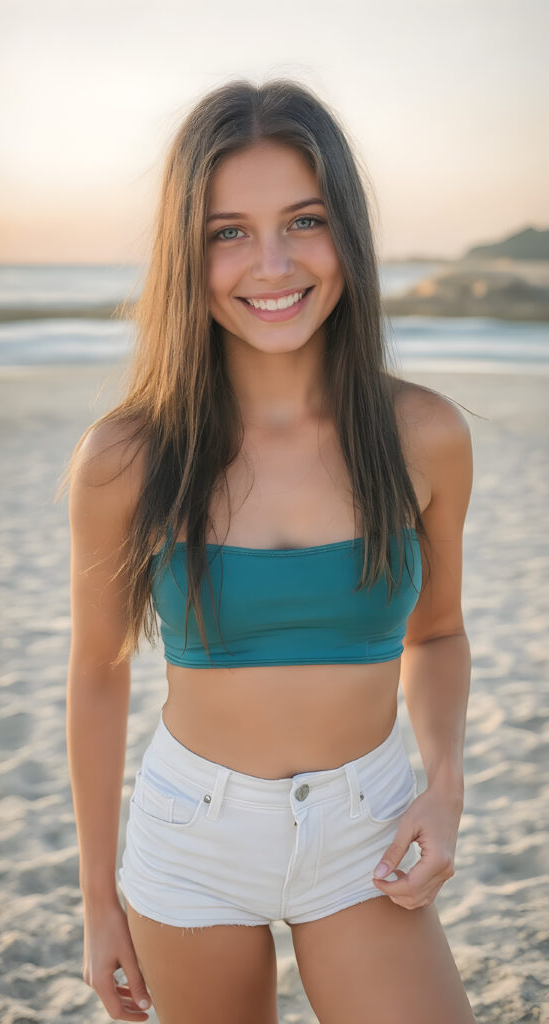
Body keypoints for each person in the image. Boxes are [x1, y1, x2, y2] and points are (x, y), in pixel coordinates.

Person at [63, 79, 476, 1023]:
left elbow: (440, 635)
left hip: (367, 831)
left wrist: (444, 786)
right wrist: (98, 905)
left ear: (348, 236)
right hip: (190, 840)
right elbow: (96, 672)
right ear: (188, 252)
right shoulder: (127, 456)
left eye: (304, 219)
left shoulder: (425, 435)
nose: (273, 263)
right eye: (229, 231)